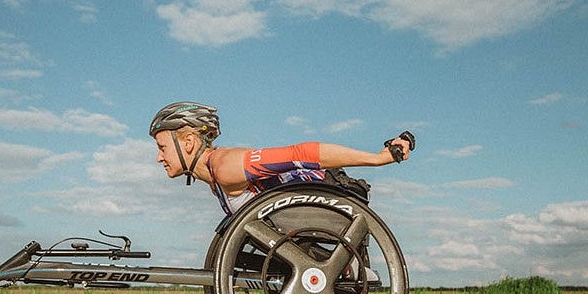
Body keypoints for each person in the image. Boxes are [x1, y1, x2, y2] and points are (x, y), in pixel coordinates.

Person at [150, 101, 414, 215]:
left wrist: (378, 159)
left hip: (327, 191)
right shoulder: (214, 179)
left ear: (188, 142)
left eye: (162, 147)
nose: (159, 157)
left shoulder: (225, 165)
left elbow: (301, 154)